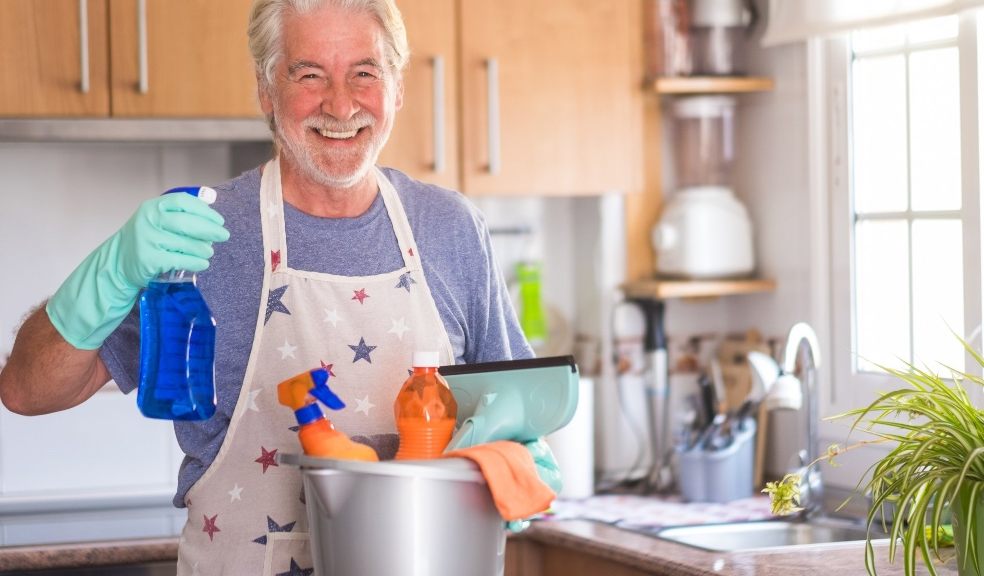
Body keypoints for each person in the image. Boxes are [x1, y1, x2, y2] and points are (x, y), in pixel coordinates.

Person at [0, 0, 561, 573]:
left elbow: (517, 414)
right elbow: (26, 391)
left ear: (396, 90)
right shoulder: (204, 236)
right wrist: (112, 272)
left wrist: (516, 453)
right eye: (308, 73)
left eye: (365, 73)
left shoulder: (451, 229)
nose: (340, 104)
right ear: (267, 92)